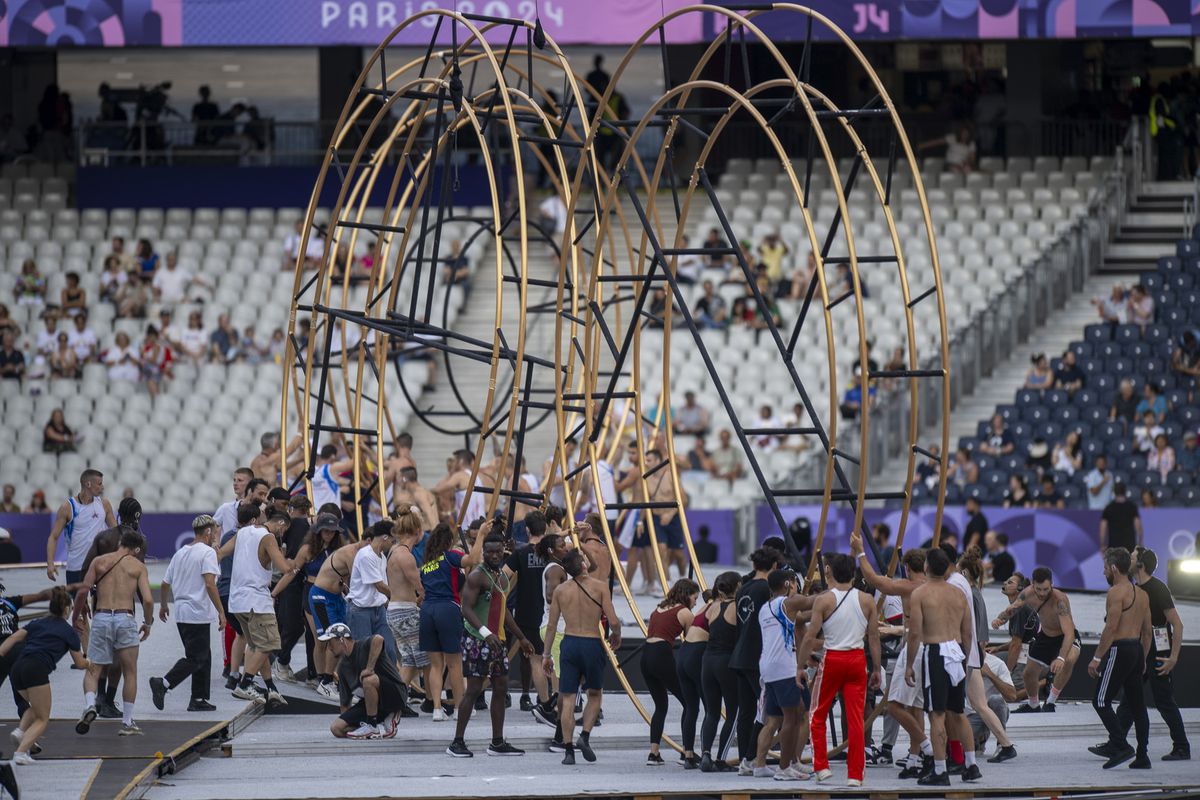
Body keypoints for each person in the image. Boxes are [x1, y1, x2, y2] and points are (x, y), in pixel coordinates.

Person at [851, 534, 934, 778]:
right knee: (916, 707)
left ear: (907, 568)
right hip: (934, 649)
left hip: (914, 650)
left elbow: (875, 581)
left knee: (894, 706)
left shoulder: (909, 587)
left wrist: (860, 552)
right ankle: (915, 758)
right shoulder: (937, 587)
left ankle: (927, 749)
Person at [447, 532, 535, 757]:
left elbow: (503, 611)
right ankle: (456, 742)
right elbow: (465, 608)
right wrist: (485, 633)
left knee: (501, 686)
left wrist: (522, 637)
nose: (494, 556)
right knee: (474, 689)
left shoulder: (501, 577)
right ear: (483, 553)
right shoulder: (477, 576)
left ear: (503, 551)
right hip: (478, 640)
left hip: (497, 641)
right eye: (490, 552)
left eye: (498, 552)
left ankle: (497, 742)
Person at [798, 555, 880, 787]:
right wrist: (876, 668)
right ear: (854, 574)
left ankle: (821, 767)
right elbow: (873, 637)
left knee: (817, 715)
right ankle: (855, 775)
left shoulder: (823, 600)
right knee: (856, 720)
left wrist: (800, 666)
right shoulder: (866, 600)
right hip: (857, 659)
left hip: (833, 657)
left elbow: (810, 637)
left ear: (829, 572)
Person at [906, 546, 978, 786]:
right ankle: (971, 764)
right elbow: (968, 633)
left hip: (936, 651)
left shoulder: (921, 594)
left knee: (936, 714)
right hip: (956, 649)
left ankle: (940, 770)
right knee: (958, 712)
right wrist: (966, 659)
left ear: (926, 566)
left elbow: (915, 632)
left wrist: (908, 665)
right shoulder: (958, 593)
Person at [543, 549, 621, 766]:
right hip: (591, 643)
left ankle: (568, 751)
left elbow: (551, 626)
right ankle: (584, 736)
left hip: (569, 642)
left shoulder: (560, 590)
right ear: (584, 565)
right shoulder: (599, 587)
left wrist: (546, 655)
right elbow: (613, 621)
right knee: (594, 694)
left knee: (567, 698)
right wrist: (617, 635)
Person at [72, 528, 153, 737]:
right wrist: (148, 622)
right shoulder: (138, 566)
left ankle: (90, 704)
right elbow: (148, 600)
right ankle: (127, 722)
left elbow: (82, 590)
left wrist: (77, 615)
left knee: (93, 669)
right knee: (130, 672)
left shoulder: (99, 561)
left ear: (120, 543)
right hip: (125, 618)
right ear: (135, 549)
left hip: (101, 617)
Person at [0, 586, 90, 766]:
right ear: (67, 610)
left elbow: (12, 639)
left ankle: (20, 732)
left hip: (18, 667)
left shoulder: (38, 623)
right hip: (36, 668)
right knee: (43, 718)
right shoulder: (68, 632)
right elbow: (80, 663)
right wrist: (91, 664)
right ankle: (20, 752)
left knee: (35, 706)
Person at [1118, 548, 1189, 760]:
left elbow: (1178, 624)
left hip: (1159, 651)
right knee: (1129, 699)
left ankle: (1182, 747)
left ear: (1140, 564)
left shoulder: (1158, 589)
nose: (1128, 559)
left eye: (1131, 557)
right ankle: (1117, 742)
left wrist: (1173, 658)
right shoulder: (1135, 588)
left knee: (1164, 700)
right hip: (1142, 649)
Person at [219, 506, 295, 707]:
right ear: (280, 524)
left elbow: (221, 553)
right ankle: (245, 684)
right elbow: (283, 567)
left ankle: (271, 688)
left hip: (237, 601)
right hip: (257, 601)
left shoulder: (243, 532)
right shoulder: (268, 537)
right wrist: (293, 563)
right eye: (284, 529)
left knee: (256, 646)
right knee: (269, 645)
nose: (283, 533)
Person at [150, 515, 225, 712]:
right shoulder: (207, 553)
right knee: (196, 658)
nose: (216, 536)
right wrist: (221, 612)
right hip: (197, 611)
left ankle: (198, 698)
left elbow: (166, 583)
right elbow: (209, 583)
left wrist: (164, 605)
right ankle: (163, 683)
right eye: (215, 532)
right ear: (208, 531)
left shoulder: (181, 553)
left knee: (204, 656)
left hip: (182, 612)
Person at [1088, 548, 1152, 770]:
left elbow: (1111, 628)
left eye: (1105, 568)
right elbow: (1147, 632)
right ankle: (1143, 756)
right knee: (1137, 706)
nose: (1104, 571)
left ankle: (1121, 745)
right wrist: (1142, 658)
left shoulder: (1116, 592)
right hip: (1135, 650)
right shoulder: (1142, 594)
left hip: (1120, 650)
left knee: (1100, 700)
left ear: (1114, 568)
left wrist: (1096, 658)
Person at [419, 521, 485, 720]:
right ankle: (458, 708)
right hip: (447, 608)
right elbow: (473, 558)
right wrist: (481, 535)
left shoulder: (426, 565)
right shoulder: (451, 557)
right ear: (449, 541)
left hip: (427, 610)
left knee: (436, 665)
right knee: (455, 664)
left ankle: (437, 709)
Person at [992, 565, 1080, 713]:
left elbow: (1069, 633)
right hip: (1046, 636)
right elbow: (1012, 609)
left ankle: (1050, 702)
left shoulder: (1060, 600)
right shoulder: (1027, 594)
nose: (1042, 593)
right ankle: (1033, 704)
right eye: (1038, 589)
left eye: (1046, 589)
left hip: (1065, 636)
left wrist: (1061, 658)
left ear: (1051, 584)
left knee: (1069, 660)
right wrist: (1000, 619)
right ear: (1033, 584)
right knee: (1028, 673)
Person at [289, 512, 349, 696]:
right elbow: (292, 572)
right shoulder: (308, 549)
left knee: (337, 638)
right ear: (318, 531)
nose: (329, 535)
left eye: (332, 532)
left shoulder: (339, 549)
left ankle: (328, 676)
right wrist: (274, 593)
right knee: (320, 640)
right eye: (326, 531)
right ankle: (321, 676)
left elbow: (346, 573)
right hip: (312, 594)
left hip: (336, 595)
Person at [640, 579, 698, 766]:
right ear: (687, 595)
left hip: (645, 656)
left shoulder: (659, 608)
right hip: (662, 655)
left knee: (661, 706)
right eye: (695, 598)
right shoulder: (685, 613)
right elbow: (691, 644)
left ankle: (653, 753)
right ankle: (687, 753)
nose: (696, 602)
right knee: (689, 703)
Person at [729, 548, 775, 774]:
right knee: (767, 710)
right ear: (774, 566)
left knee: (746, 711)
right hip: (757, 656)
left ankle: (743, 760)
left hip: (739, 654)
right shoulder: (767, 589)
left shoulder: (744, 588)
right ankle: (751, 757)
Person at [324, 623, 406, 740]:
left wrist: (369, 668)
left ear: (342, 640)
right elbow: (345, 703)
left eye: (330, 642)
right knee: (336, 728)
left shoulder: (362, 645)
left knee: (368, 680)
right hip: (372, 704)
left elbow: (378, 639)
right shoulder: (342, 667)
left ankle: (374, 724)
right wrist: (348, 720)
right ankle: (372, 724)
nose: (329, 648)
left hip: (394, 694)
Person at [503, 511, 550, 712]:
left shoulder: (521, 554)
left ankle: (526, 695)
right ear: (545, 529)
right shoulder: (552, 552)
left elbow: (503, 577)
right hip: (549, 612)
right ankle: (546, 698)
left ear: (527, 530)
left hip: (525, 611)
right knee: (547, 656)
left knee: (529, 657)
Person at [697, 572, 740, 772]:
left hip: (707, 661)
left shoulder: (712, 607)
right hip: (726, 661)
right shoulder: (737, 607)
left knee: (711, 712)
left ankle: (706, 753)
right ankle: (721, 759)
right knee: (733, 712)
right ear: (738, 586)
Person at [384, 509, 427, 700]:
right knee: (426, 660)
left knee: (409, 660)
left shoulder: (394, 550)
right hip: (405, 611)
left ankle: (397, 698)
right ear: (417, 531)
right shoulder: (406, 556)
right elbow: (421, 587)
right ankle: (434, 702)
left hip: (394, 610)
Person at [46, 469, 116, 582]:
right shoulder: (68, 508)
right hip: (76, 568)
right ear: (88, 484)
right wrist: (50, 564)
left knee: (103, 600)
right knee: (77, 600)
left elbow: (116, 533)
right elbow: (53, 537)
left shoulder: (104, 504)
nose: (102, 487)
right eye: (99, 484)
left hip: (100, 567)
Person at [345, 521, 395, 659]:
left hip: (378, 609)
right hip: (361, 610)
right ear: (385, 537)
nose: (393, 543)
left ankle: (388, 680)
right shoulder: (366, 555)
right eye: (392, 539)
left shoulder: (382, 556)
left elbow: (382, 587)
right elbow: (379, 585)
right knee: (363, 655)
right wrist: (400, 598)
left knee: (389, 651)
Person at [968, 653, 1018, 757]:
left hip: (989, 710)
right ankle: (978, 741)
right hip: (968, 714)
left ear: (986, 642)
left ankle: (1002, 744)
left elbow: (1012, 696)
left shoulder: (997, 663)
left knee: (996, 700)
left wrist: (990, 674)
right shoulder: (958, 660)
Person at [1100, 483, 1142, 553]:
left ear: (1114, 492)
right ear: (1125, 491)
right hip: (1129, 547)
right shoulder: (1132, 507)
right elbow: (1138, 526)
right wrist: (1140, 541)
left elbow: (1103, 527)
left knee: (1114, 564)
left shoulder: (1108, 508)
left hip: (1114, 547)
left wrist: (1102, 544)